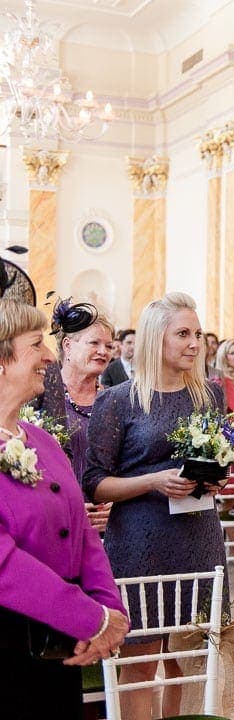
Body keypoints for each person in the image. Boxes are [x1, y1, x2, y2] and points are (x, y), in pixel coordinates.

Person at [83, 292, 228, 720]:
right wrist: (154, 481)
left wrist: (214, 479)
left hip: (197, 539)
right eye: (183, 333)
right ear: (153, 339)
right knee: (140, 661)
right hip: (140, 546)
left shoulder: (210, 397)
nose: (195, 343)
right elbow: (95, 484)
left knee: (186, 658)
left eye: (198, 334)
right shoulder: (119, 400)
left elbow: (215, 462)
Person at [0, 299, 128, 719]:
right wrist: (89, 618)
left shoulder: (44, 442)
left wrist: (111, 611)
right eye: (37, 344)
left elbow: (83, 533)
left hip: (63, 643)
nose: (50, 356)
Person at [33, 299, 114, 531]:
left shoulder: (114, 400)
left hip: (105, 528)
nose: (103, 352)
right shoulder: (40, 393)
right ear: (67, 345)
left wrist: (116, 505)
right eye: (94, 343)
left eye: (109, 346)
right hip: (53, 520)